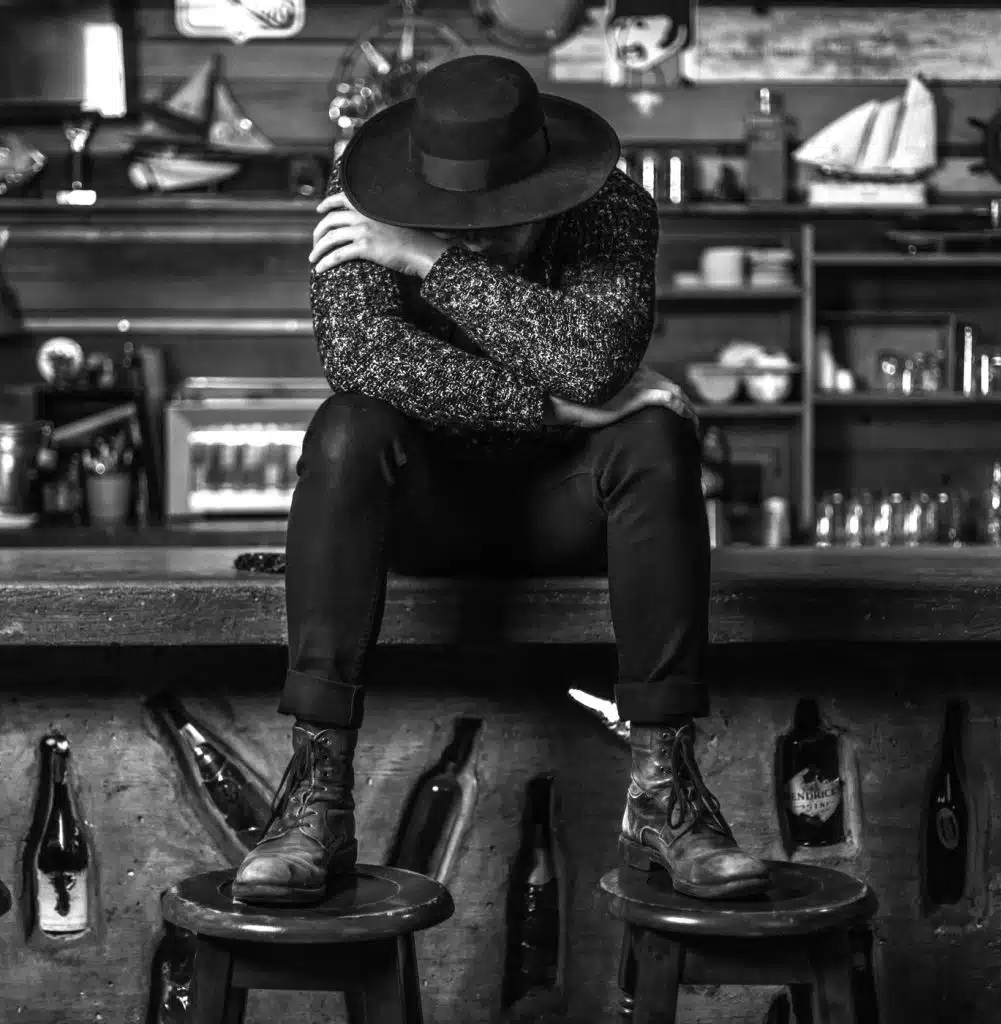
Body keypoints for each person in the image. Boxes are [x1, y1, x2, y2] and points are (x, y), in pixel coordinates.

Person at [230, 53, 768, 908]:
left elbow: (591, 358)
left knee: (656, 435)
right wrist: (556, 407)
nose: (475, 235)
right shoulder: (359, 198)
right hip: (421, 511)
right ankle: (317, 800)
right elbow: (364, 360)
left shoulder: (611, 205)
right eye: (449, 222)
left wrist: (432, 260)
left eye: (498, 222)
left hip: (565, 513)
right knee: (346, 427)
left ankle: (665, 795)